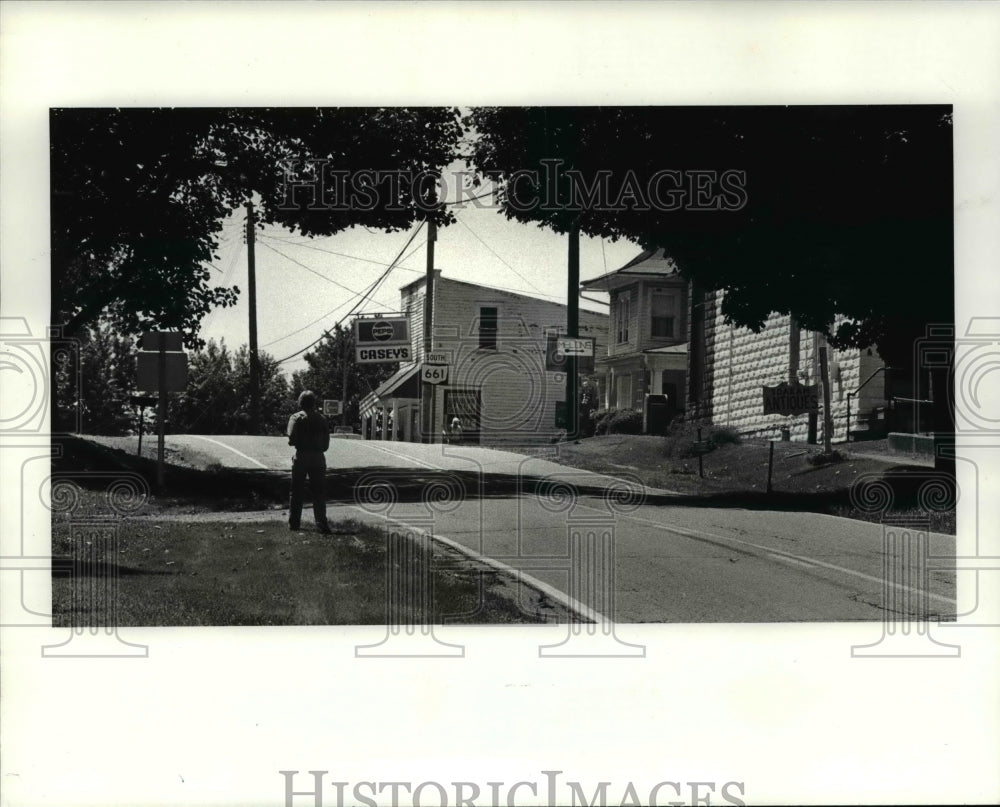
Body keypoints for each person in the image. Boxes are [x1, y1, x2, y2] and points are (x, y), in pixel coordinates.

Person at [287, 390, 331, 534]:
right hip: (318, 457)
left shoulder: (296, 418)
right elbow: (326, 445)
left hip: (302, 456)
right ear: (314, 402)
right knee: (319, 492)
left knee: (297, 491)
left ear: (300, 402)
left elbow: (291, 439)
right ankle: (321, 524)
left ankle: (294, 523)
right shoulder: (322, 419)